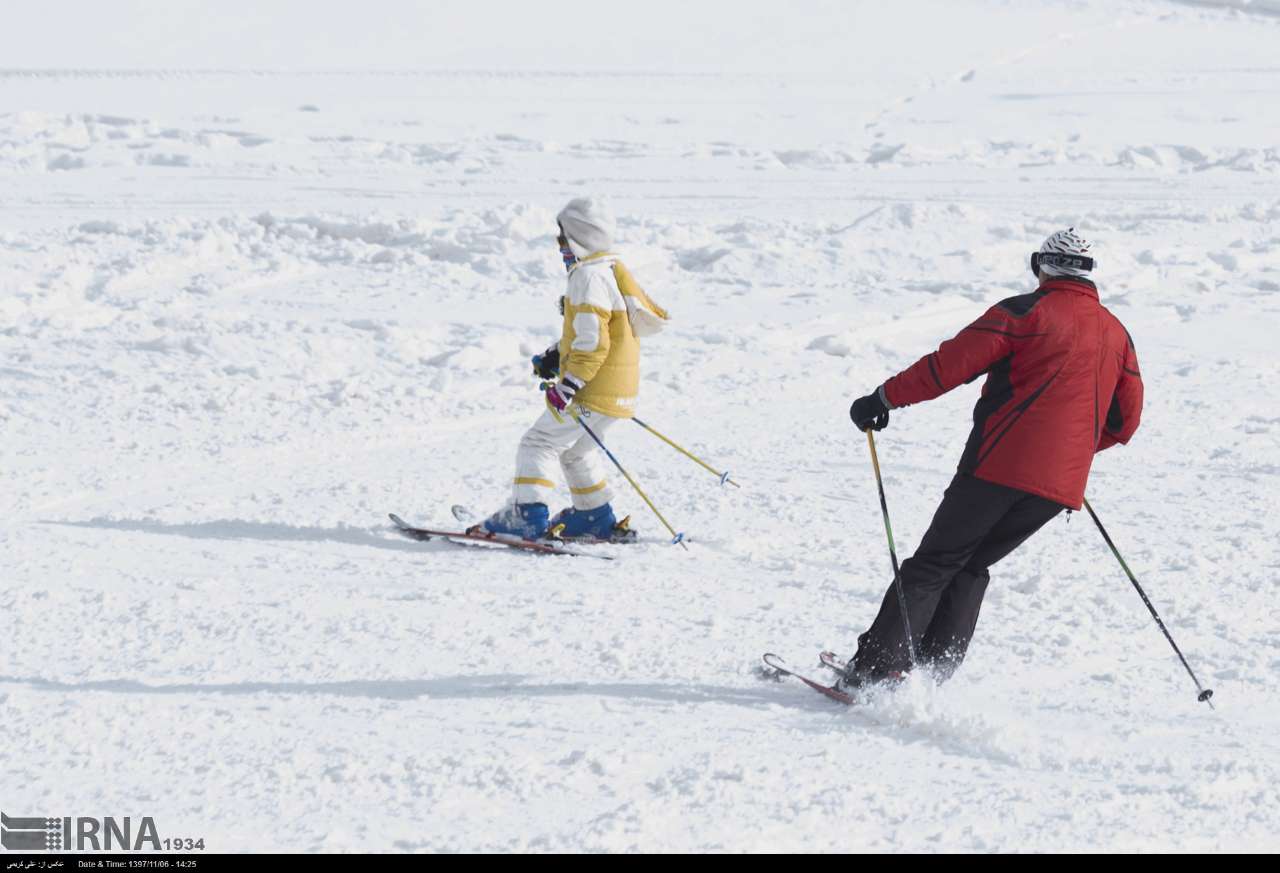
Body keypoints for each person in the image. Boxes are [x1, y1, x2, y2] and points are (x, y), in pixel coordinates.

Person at [844, 228, 1143, 687]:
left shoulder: (1023, 313)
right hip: (1060, 487)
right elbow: (1125, 422)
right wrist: (1067, 452)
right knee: (969, 566)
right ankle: (932, 675)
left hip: (996, 468)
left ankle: (874, 673)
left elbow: (946, 367)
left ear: (1040, 265)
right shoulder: (1117, 333)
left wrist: (882, 399)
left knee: (934, 564)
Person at [477, 197, 669, 542]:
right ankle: (594, 515)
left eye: (563, 238)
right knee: (577, 451)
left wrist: (569, 384)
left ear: (580, 238)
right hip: (618, 390)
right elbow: (598, 333)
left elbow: (593, 344)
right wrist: (556, 355)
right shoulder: (612, 271)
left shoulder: (587, 277)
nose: (560, 247)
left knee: (538, 442)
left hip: (591, 389)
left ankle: (526, 515)